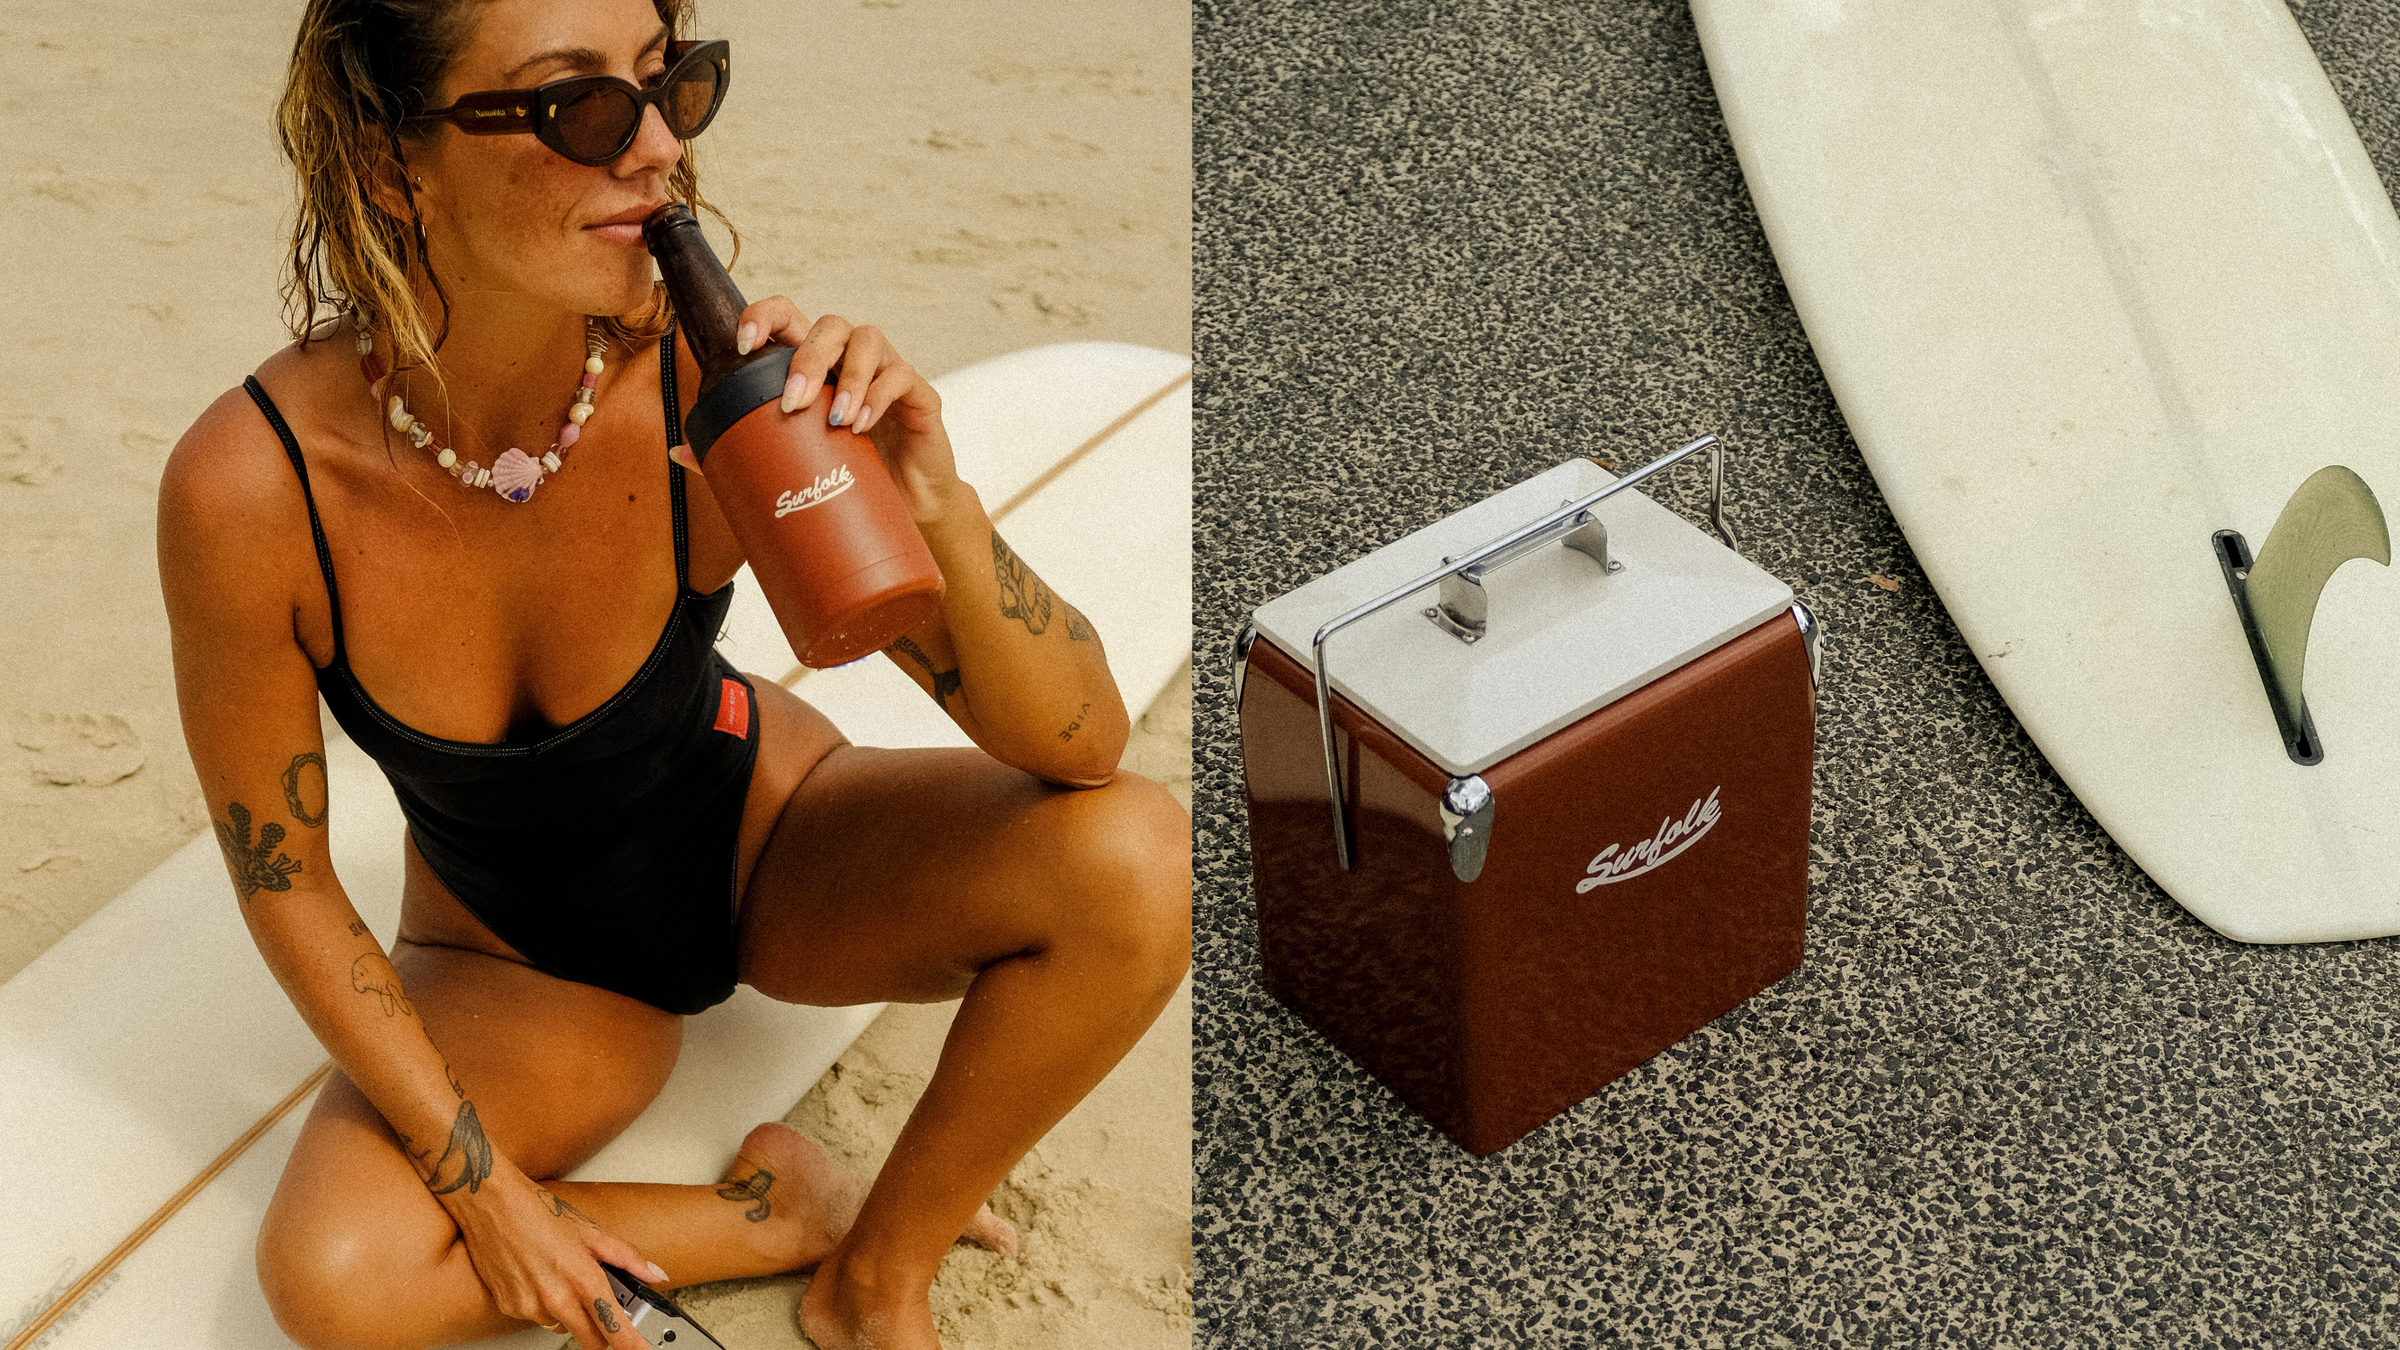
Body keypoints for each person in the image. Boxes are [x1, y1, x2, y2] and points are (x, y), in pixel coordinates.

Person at [154, 1, 1191, 1347]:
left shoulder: (715, 393)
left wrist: (934, 501)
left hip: (773, 844)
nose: (653, 148)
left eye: (670, 84)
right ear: (387, 164)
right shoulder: (253, 490)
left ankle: (877, 1271)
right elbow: (283, 876)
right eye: (575, 108)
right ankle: (779, 1217)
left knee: (1137, 859)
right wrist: (488, 1196)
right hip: (517, 951)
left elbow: (1082, 742)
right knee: (336, 1279)